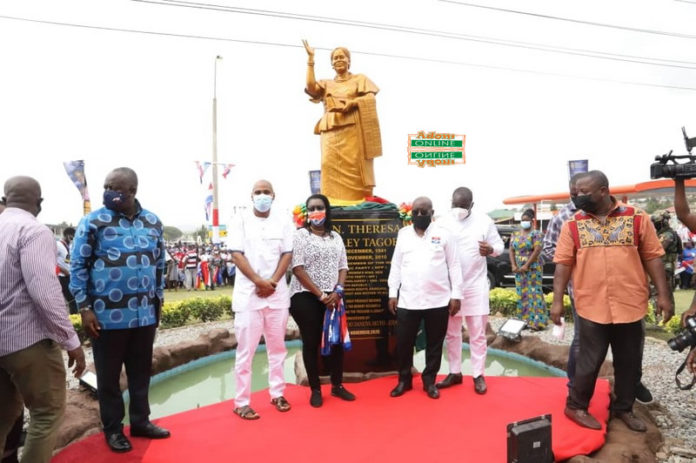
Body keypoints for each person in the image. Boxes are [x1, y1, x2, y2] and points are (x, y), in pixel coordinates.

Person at [551, 170, 672, 432]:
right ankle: (575, 406)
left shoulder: (636, 217)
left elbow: (653, 256)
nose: (577, 197)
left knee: (629, 361)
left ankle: (623, 409)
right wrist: (557, 301)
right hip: (590, 305)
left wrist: (664, 295)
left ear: (604, 190)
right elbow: (562, 264)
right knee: (588, 361)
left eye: (583, 192)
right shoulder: (572, 224)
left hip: (630, 303)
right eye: (574, 193)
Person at [70, 167, 170, 453]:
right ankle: (113, 429)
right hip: (105, 317)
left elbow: (159, 265)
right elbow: (78, 267)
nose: (108, 190)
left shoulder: (152, 222)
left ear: (132, 191)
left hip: (144, 315)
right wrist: (84, 308)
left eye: (115, 187)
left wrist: (158, 301)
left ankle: (141, 421)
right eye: (106, 185)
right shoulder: (93, 222)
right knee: (109, 377)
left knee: (141, 372)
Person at [0, 176, 86, 463]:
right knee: (47, 414)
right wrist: (70, 340)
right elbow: (45, 293)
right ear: (39, 202)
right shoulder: (33, 231)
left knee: (3, 416)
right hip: (27, 341)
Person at [229, 180, 293, 420]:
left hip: (277, 296)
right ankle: (241, 402)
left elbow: (287, 253)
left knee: (278, 349)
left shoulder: (284, 219)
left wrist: (272, 282)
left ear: (274, 196)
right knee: (246, 352)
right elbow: (236, 253)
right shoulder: (240, 219)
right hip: (249, 296)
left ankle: (277, 393)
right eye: (258, 192)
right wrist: (258, 281)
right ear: (251, 196)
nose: (262, 196)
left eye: (266, 192)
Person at [387, 196, 463, 400]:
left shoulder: (444, 234)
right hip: (408, 300)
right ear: (411, 214)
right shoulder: (403, 234)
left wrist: (456, 295)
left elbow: (454, 265)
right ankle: (404, 380)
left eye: (424, 212)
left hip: (438, 300)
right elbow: (396, 265)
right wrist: (393, 293)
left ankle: (429, 381)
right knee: (403, 342)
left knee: (434, 344)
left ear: (432, 212)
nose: (419, 215)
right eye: (416, 212)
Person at [289, 194, 355, 407]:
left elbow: (343, 266)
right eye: (311, 208)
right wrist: (320, 295)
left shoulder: (336, 237)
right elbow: (297, 269)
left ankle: (337, 386)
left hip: (334, 296)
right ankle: (315, 389)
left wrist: (339, 290)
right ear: (306, 213)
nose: (315, 211)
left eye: (319, 207)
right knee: (311, 342)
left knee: (335, 342)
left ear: (326, 210)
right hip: (305, 296)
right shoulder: (300, 236)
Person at [436, 187, 503, 395]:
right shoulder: (441, 222)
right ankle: (454, 372)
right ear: (450, 202)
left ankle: (478, 375)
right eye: (455, 205)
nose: (459, 210)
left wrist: (491, 250)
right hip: (450, 288)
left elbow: (499, 246)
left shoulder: (485, 222)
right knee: (452, 333)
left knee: (477, 334)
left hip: (476, 286)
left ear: (471, 205)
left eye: (463, 206)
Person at [303, 40, 382, 202]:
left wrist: (353, 103)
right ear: (332, 64)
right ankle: (330, 200)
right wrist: (311, 60)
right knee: (327, 164)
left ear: (349, 61)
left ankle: (358, 199)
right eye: (335, 58)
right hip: (331, 130)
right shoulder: (326, 83)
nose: (338, 60)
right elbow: (311, 87)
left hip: (353, 130)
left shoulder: (360, 79)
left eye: (342, 57)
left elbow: (370, 97)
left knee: (354, 164)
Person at [510, 208, 548, 330]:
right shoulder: (515, 234)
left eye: (526, 220)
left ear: (532, 221)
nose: (523, 222)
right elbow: (511, 250)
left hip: (533, 267)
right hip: (518, 269)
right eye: (522, 220)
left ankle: (537, 322)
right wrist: (513, 265)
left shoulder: (536, 234)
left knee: (534, 293)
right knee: (522, 293)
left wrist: (526, 265)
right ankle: (524, 321)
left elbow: (537, 250)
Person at [650, 210, 680, 304]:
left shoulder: (667, 235)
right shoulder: (660, 234)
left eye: (658, 223)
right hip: (660, 267)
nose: (656, 225)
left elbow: (657, 250)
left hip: (665, 268)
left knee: (663, 293)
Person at [56, 227, 78, 314]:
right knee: (71, 299)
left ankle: (74, 319)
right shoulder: (58, 245)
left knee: (72, 300)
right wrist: (63, 270)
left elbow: (66, 261)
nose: (73, 239)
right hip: (61, 277)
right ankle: (74, 319)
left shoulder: (67, 247)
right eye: (72, 236)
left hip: (68, 276)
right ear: (67, 235)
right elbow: (50, 260)